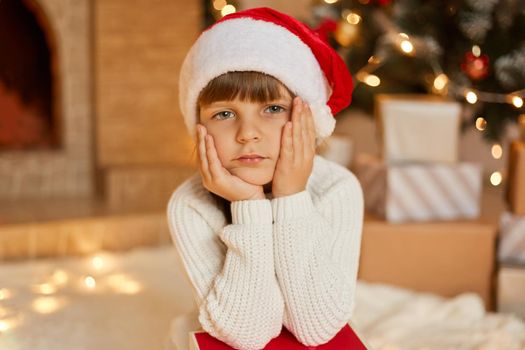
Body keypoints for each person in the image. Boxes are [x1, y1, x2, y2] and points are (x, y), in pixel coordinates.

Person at [165, 7, 363, 350]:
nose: (247, 134)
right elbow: (250, 334)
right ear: (200, 130)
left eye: (272, 109)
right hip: (225, 325)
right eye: (224, 113)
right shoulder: (189, 204)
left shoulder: (337, 188)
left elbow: (317, 328)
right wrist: (249, 205)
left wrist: (290, 198)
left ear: (308, 119)